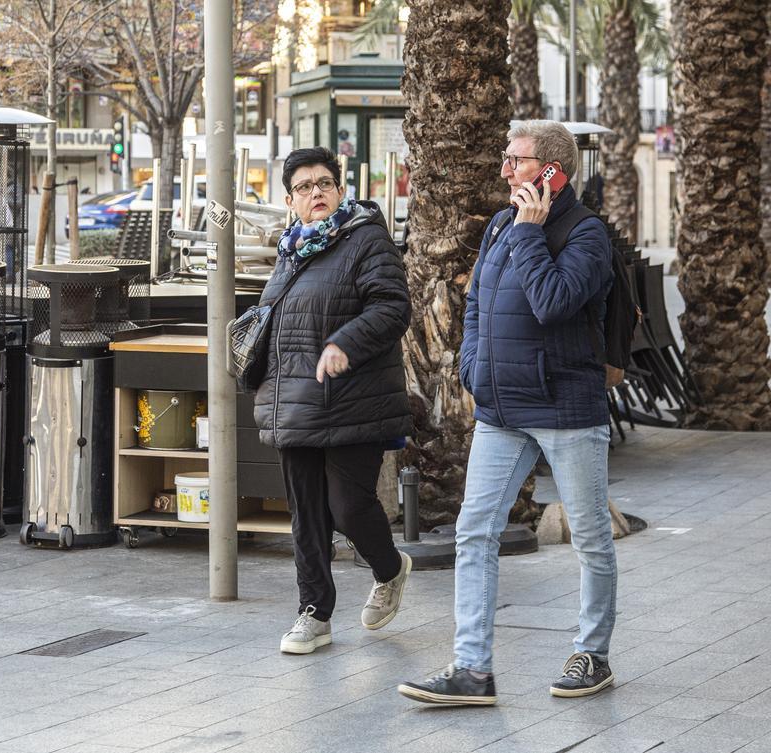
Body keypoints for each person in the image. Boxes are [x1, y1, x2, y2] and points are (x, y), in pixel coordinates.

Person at [399, 121, 616, 705]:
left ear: (552, 171)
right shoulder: (499, 224)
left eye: (515, 161)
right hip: (502, 410)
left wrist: (528, 230)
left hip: (566, 407)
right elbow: (478, 303)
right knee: (475, 532)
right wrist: (473, 366)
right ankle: (473, 669)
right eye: (506, 158)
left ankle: (591, 654)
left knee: (591, 538)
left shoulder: (586, 234)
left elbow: (551, 303)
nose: (504, 170)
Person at [255, 146, 414, 655]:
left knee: (347, 507)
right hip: (295, 397)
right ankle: (314, 612)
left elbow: (392, 306)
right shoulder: (290, 250)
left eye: (324, 183)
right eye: (304, 187)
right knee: (306, 512)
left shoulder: (366, 238)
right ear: (290, 200)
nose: (316, 192)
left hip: (353, 397)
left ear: (340, 191)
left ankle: (389, 569)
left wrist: (345, 342)